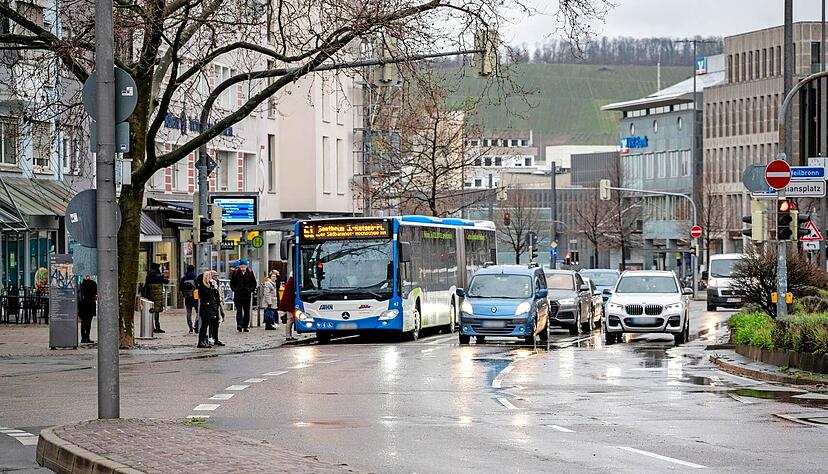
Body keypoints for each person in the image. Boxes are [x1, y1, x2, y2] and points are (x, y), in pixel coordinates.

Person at [230, 259, 256, 332]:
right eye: (241, 266)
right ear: (239, 266)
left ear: (246, 266)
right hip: (238, 295)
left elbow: (254, 283)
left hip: (247, 295)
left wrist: (250, 290)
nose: (243, 268)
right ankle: (239, 325)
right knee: (239, 310)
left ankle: (245, 326)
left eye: (244, 266)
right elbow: (232, 283)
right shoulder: (235, 273)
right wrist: (234, 289)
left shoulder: (250, 272)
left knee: (246, 311)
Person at [196, 270, 221, 348]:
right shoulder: (202, 287)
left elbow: (216, 297)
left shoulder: (210, 286)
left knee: (211, 324)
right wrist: (212, 288)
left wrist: (215, 288)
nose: (210, 279)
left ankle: (209, 340)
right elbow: (206, 295)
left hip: (212, 308)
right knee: (204, 325)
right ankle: (201, 341)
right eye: (208, 277)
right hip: (206, 308)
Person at [143, 263, 169, 333]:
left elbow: (146, 285)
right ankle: (157, 327)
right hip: (158, 296)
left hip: (150, 295)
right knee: (156, 311)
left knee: (151, 311)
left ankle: (151, 326)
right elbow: (166, 281)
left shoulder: (148, 276)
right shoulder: (159, 276)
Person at [77, 275, 97, 343]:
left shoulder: (82, 284)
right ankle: (87, 337)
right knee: (89, 322)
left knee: (83, 322)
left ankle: (83, 338)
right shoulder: (93, 284)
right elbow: (96, 292)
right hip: (90, 305)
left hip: (82, 305)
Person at [180, 265, 199, 333]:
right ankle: (196, 325)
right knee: (198, 311)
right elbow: (198, 287)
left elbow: (180, 288)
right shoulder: (196, 278)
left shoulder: (184, 278)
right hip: (195, 297)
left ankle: (190, 327)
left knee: (188, 312)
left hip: (187, 297)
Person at [278, 275, 296, 341]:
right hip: (289, 304)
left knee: (290, 319)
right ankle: (288, 336)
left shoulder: (290, 281)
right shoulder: (292, 282)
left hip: (288, 303)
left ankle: (289, 335)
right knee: (290, 319)